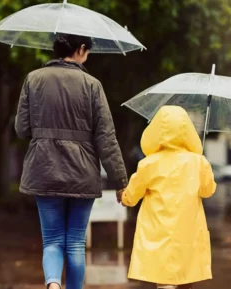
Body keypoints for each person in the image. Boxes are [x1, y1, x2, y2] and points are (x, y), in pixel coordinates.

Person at [14, 33, 128, 289]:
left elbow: (21, 129)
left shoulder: (33, 79)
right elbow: (106, 138)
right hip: (82, 174)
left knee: (52, 240)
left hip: (43, 169)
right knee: (76, 241)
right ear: (81, 49)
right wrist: (120, 181)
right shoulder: (92, 85)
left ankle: (53, 285)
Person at [121, 105, 217, 289]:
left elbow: (131, 196)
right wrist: (203, 167)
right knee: (186, 277)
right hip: (188, 232)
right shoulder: (197, 162)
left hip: (158, 232)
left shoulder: (149, 164)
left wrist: (124, 197)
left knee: (164, 281)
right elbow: (208, 190)